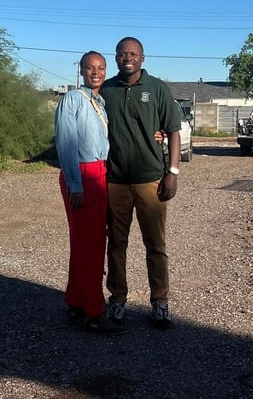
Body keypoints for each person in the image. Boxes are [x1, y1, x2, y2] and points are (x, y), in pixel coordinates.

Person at [99, 37, 183, 329]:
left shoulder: (157, 88)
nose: (127, 58)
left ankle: (160, 302)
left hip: (151, 180)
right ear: (116, 57)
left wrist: (172, 171)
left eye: (133, 54)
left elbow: (173, 131)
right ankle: (117, 300)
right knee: (116, 244)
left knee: (155, 244)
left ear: (143, 58)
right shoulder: (106, 90)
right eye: (122, 54)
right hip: (116, 180)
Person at [54, 51, 124, 335]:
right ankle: (94, 313)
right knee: (91, 244)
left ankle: (75, 301)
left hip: (99, 172)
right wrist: (76, 185)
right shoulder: (73, 100)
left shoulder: (100, 103)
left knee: (88, 242)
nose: (96, 73)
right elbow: (66, 144)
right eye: (90, 68)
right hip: (82, 173)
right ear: (81, 71)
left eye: (101, 68)